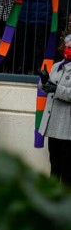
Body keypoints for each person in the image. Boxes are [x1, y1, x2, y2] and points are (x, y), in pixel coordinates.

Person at [38, 34, 71, 185]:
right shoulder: (57, 65)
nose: (67, 50)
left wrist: (56, 88)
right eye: (67, 46)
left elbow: (61, 91)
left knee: (66, 167)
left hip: (67, 125)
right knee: (54, 163)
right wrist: (44, 81)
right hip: (53, 123)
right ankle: (52, 198)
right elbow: (45, 88)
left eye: (70, 47)